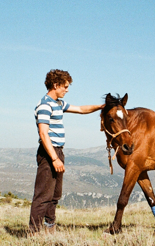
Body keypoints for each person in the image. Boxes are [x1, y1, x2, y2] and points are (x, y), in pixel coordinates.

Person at [29, 69, 104, 236]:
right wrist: (54, 158)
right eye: (65, 86)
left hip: (58, 152)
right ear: (56, 85)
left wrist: (100, 106)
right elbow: (43, 133)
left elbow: (81, 109)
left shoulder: (59, 104)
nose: (67, 90)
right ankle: (33, 234)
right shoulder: (44, 106)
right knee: (42, 196)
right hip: (50, 153)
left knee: (55, 194)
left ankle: (49, 229)